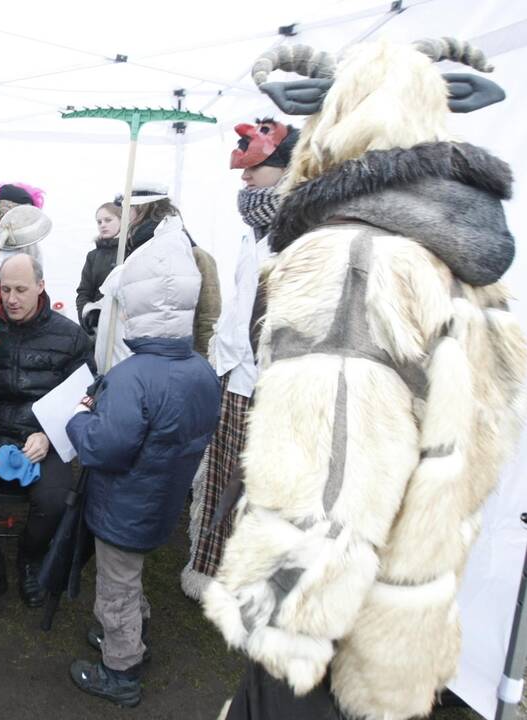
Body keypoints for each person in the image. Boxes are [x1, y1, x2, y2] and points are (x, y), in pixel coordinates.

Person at [203, 39, 525, 719]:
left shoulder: (352, 257)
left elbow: (328, 478)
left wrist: (280, 622)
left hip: (328, 626)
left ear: (334, 119)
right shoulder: (453, 261)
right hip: (401, 609)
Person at [66, 213, 220, 707]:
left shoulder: (134, 376)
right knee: (130, 579)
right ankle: (133, 632)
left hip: (123, 508)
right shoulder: (200, 371)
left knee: (115, 587)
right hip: (161, 502)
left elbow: (102, 447)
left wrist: (80, 419)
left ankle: (121, 668)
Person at [179, 119, 298, 600]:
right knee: (223, 476)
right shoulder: (257, 229)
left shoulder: (301, 231)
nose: (245, 177)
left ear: (286, 168)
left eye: (258, 166)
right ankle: (214, 567)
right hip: (237, 377)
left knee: (268, 490)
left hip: (275, 385)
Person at [0, 253, 92, 622]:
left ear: (41, 286)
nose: (11, 298)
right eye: (5, 289)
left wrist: (51, 435)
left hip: (43, 438)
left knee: (57, 498)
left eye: (21, 290)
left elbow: (85, 396)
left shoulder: (70, 335)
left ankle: (31, 558)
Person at [87, 185, 220, 369]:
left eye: (127, 209)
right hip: (128, 364)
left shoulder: (190, 254)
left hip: (168, 365)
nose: (123, 216)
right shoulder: (131, 250)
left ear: (141, 209)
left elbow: (208, 317)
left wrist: (202, 363)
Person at [75, 202, 121, 327]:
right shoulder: (93, 256)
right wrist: (86, 319)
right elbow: (84, 293)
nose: (103, 225)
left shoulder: (132, 251)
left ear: (122, 220)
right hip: (98, 325)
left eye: (108, 220)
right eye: (99, 222)